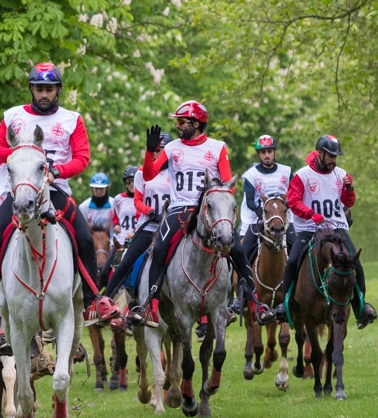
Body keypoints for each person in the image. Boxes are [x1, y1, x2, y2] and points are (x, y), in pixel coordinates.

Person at [0, 63, 108, 322]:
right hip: (18, 191)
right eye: (39, 88)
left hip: (55, 189)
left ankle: (92, 299)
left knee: (84, 238)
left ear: (58, 91)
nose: (43, 94)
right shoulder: (12, 115)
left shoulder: (72, 119)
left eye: (49, 89)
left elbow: (82, 158)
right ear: (31, 88)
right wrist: (21, 154)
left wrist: (57, 172)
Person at [129, 101, 271, 328]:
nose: (177, 125)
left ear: (195, 123)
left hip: (212, 211)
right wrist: (149, 151)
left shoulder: (218, 147)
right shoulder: (172, 147)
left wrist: (217, 207)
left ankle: (256, 305)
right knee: (160, 248)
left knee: (238, 250)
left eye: (181, 121)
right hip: (179, 210)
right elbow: (148, 175)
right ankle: (151, 308)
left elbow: (228, 185)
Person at [259, 135, 377, 328]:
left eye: (336, 156)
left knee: (357, 265)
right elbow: (294, 202)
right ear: (320, 153)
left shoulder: (342, 174)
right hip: (309, 229)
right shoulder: (302, 175)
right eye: (330, 155)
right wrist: (312, 215)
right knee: (292, 265)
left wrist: (349, 189)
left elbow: (348, 202)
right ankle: (285, 306)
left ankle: (361, 307)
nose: (333, 160)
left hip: (336, 227)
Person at [99, 139, 172, 309]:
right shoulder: (141, 173)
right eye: (156, 150)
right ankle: (105, 301)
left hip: (170, 226)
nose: (159, 153)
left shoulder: (176, 172)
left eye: (162, 149)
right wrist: (150, 212)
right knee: (127, 260)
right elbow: (137, 201)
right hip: (148, 226)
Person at [240, 134, 293, 264]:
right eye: (263, 152)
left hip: (283, 217)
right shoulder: (251, 175)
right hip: (258, 217)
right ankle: (240, 282)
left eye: (270, 151)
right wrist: (259, 211)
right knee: (243, 253)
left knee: (298, 248)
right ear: (258, 155)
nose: (267, 155)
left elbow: (293, 194)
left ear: (275, 152)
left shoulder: (286, 171)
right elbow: (250, 201)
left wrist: (287, 205)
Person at [97, 164, 143, 293]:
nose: (131, 184)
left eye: (134, 181)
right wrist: (116, 224)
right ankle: (96, 299)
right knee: (105, 270)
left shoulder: (144, 197)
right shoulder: (118, 199)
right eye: (128, 181)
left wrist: (135, 231)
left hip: (138, 239)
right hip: (120, 240)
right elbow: (115, 215)